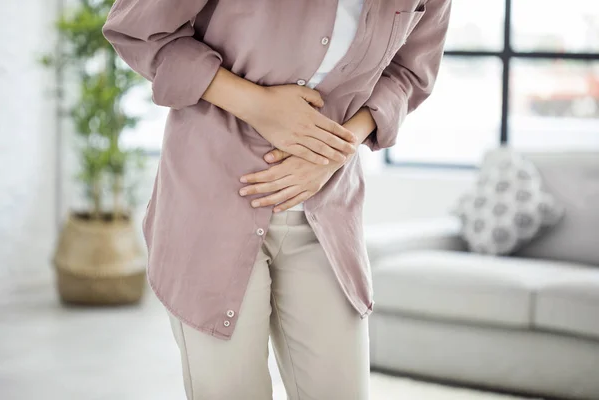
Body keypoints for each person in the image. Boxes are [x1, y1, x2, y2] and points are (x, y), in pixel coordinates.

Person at [103, 0, 451, 398]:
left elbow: (409, 73)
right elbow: (139, 31)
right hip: (213, 203)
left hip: (327, 211)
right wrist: (258, 106)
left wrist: (336, 149)